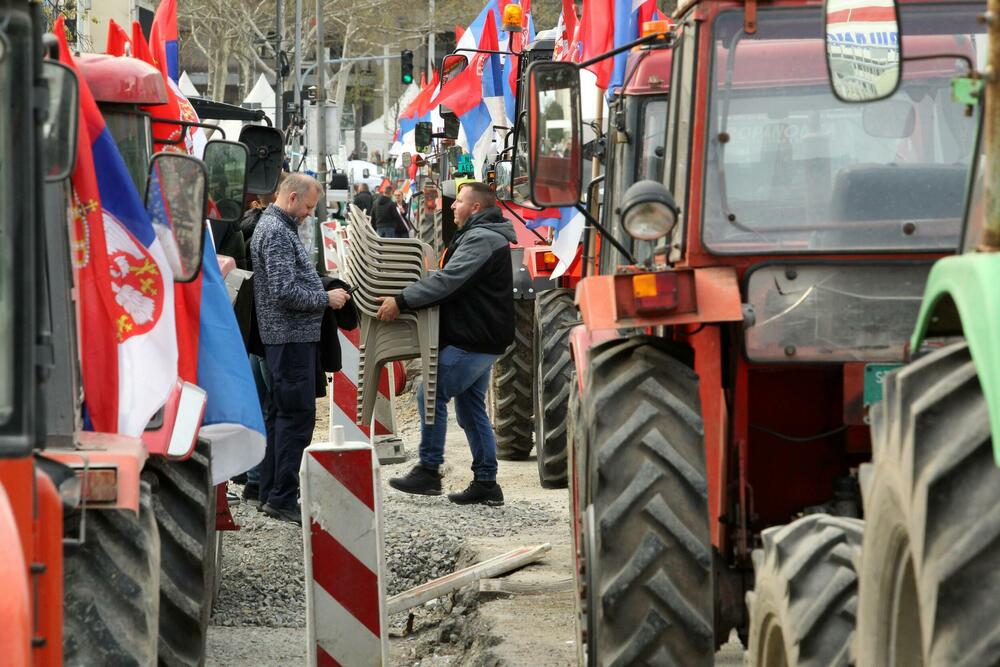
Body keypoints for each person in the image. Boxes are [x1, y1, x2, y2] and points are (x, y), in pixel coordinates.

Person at [376, 182, 515, 505]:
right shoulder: (479, 236)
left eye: (460, 201)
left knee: (430, 391)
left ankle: (429, 470)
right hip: (480, 335)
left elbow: (450, 280)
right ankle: (486, 483)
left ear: (476, 208)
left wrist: (403, 299)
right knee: (470, 409)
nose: (452, 206)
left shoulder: (483, 239)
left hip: (476, 338)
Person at [250, 173, 352, 524]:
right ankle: (281, 497)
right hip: (290, 339)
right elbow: (284, 292)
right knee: (296, 419)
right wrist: (326, 297)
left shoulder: (275, 227)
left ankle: (269, 491)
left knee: (280, 417)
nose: (310, 213)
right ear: (292, 198)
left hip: (286, 339)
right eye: (308, 206)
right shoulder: (277, 233)